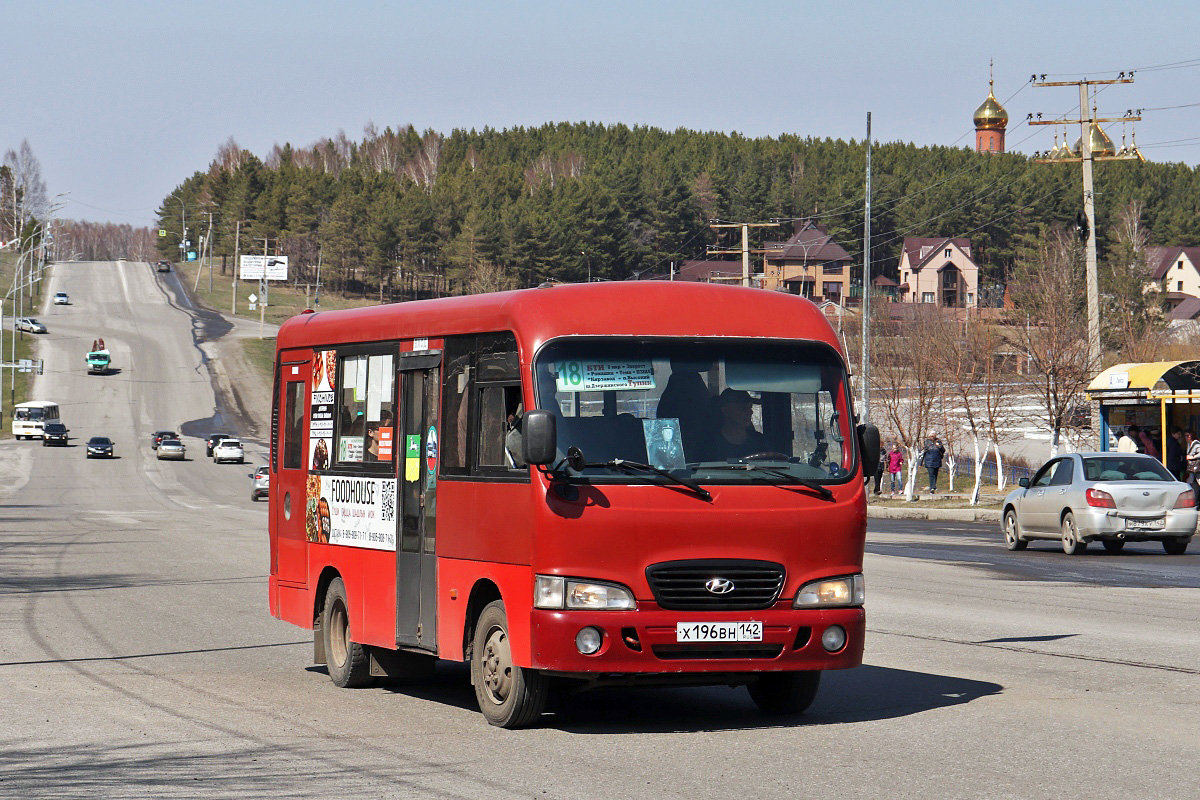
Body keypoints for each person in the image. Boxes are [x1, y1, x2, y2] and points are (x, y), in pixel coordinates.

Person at [708, 388, 768, 460]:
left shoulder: (759, 440)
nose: (750, 412)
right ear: (726, 411)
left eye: (750, 407)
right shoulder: (710, 444)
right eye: (743, 408)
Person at [1185, 430, 1200, 503]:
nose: (1187, 437)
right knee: (1192, 483)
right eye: (1185, 436)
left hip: (1196, 468)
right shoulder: (1189, 444)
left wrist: (1192, 457)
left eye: (1188, 435)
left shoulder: (1196, 444)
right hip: (1192, 469)